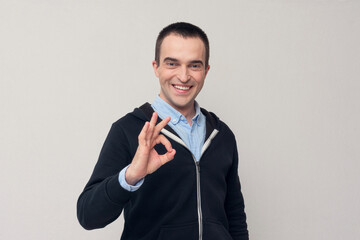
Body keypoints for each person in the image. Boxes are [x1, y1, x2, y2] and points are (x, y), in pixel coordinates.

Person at [77, 22, 249, 240]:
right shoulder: (128, 130)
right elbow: (88, 216)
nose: (184, 76)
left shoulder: (222, 135)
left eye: (194, 66)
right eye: (172, 64)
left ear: (206, 70)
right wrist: (131, 176)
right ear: (156, 67)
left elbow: (234, 216)